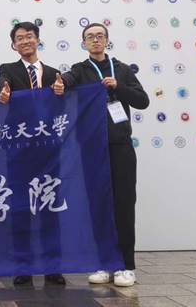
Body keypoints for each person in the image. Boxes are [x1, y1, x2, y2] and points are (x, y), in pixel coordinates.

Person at [56, 22, 149, 287]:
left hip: (120, 147)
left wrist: (118, 87)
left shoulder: (122, 69)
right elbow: (68, 80)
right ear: (84, 42)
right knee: (97, 205)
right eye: (90, 37)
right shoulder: (81, 69)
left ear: (107, 40)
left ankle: (126, 265)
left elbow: (142, 101)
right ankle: (102, 262)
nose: (95, 40)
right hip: (91, 149)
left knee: (123, 205)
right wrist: (61, 84)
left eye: (99, 36)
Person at [0, 21, 66, 287]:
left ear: (38, 40)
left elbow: (62, 108)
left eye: (30, 36)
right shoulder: (8, 70)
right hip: (19, 151)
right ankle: (22, 266)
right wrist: (2, 89)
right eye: (20, 38)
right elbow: (0, 82)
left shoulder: (55, 74)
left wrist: (62, 91)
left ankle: (52, 266)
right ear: (14, 45)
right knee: (20, 209)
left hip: (48, 152)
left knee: (49, 209)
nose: (25, 41)